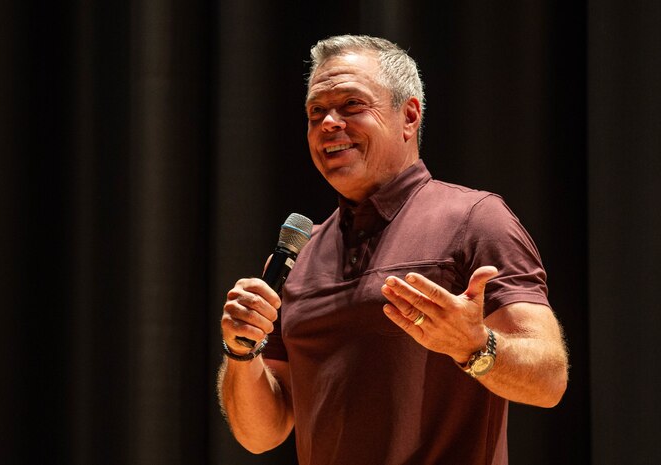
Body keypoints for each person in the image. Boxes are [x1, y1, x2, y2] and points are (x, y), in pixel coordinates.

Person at [217, 34, 568, 465]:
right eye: (315, 112)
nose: (328, 123)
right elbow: (261, 435)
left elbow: (550, 379)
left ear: (409, 116)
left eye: (351, 106)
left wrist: (475, 346)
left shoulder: (475, 219)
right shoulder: (298, 256)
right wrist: (241, 351)